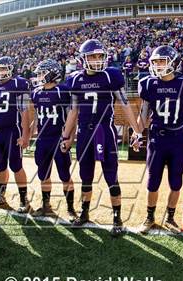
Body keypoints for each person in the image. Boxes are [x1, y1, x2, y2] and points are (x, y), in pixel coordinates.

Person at [62, 39, 143, 236]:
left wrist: (137, 131)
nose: (97, 60)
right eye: (92, 56)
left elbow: (125, 104)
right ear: (83, 59)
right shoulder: (74, 79)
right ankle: (85, 212)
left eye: (100, 56)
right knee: (86, 176)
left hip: (105, 132)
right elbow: (73, 111)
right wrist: (65, 136)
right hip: (84, 134)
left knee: (111, 176)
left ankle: (117, 217)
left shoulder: (111, 76)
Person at [137, 45, 183, 234]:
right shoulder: (149, 83)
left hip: (177, 140)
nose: (157, 65)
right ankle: (150, 217)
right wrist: (137, 133)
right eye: (155, 62)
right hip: (156, 139)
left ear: (173, 63)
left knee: (176, 182)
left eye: (161, 61)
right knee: (152, 182)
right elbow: (143, 114)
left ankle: (170, 217)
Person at [30, 59, 76, 221]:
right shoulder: (36, 93)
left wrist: (70, 138)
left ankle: (71, 209)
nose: (39, 76)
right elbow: (36, 117)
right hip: (43, 140)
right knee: (43, 175)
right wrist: (31, 135)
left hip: (58, 139)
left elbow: (72, 115)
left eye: (42, 72)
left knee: (64, 174)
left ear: (52, 73)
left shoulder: (63, 91)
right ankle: (46, 205)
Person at [0, 56, 31, 211]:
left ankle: (24, 200)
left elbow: (24, 110)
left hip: (12, 131)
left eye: (4, 68)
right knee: (0, 166)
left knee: (16, 166)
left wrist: (25, 135)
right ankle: (1, 196)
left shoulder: (19, 83)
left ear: (11, 69)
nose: (1, 72)